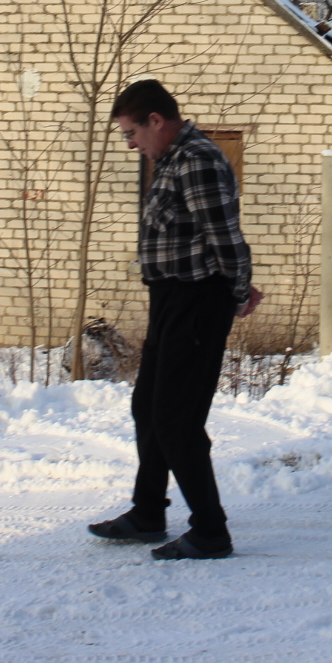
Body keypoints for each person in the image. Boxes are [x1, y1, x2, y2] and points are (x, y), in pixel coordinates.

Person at [87, 79, 263, 560]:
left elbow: (226, 237)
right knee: (148, 408)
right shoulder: (170, 160)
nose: (130, 143)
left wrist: (239, 290)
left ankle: (211, 530)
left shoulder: (198, 160)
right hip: (170, 298)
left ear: (156, 121)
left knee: (176, 419)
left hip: (197, 303)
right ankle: (148, 513)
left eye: (131, 133)